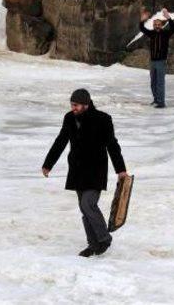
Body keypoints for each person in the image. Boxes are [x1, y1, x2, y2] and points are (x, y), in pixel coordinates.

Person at [42, 89, 128, 257]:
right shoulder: (69, 118)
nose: (73, 108)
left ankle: (104, 238)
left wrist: (121, 169)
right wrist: (48, 164)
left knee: (88, 204)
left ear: (86, 104)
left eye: (76, 105)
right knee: (84, 207)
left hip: (96, 170)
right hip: (77, 170)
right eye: (71, 105)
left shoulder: (103, 119)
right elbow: (60, 141)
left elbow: (112, 144)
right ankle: (93, 243)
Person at [139, 7, 174, 108]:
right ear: (153, 25)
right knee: (153, 82)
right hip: (152, 62)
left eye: (159, 25)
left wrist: (168, 17)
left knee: (160, 82)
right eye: (155, 25)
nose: (157, 26)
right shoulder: (151, 34)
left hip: (161, 62)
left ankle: (161, 102)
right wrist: (142, 20)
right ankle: (156, 99)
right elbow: (142, 28)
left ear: (161, 25)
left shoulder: (165, 34)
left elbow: (173, 27)